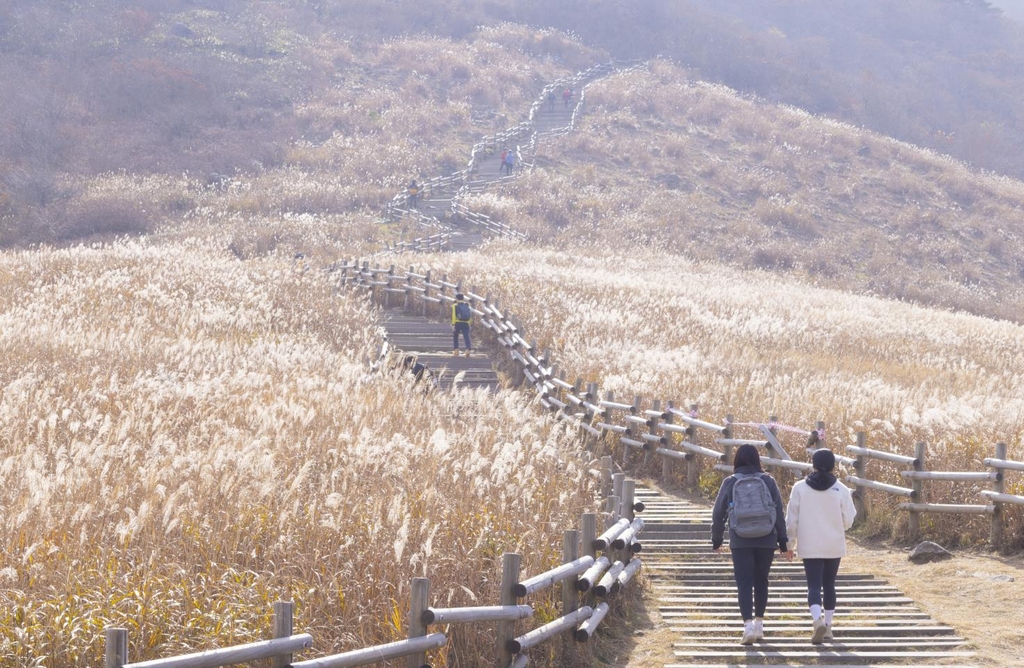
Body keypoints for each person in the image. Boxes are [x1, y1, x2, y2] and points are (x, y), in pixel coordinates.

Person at [711, 444, 791, 645]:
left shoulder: (730, 482)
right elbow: (779, 512)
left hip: (740, 539)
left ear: (737, 460)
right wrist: (783, 541)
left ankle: (747, 626)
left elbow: (718, 513)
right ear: (757, 459)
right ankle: (759, 625)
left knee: (744, 582)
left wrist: (717, 539)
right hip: (766, 538)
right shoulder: (768, 480)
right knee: (761, 580)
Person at [786, 448, 856, 644]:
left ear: (813, 464)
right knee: (829, 584)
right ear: (833, 465)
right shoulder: (841, 489)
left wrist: (790, 543)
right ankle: (828, 626)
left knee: (813, 585)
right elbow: (849, 520)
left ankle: (817, 621)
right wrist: (836, 527)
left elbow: (792, 520)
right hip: (834, 543)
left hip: (810, 543)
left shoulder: (799, 488)